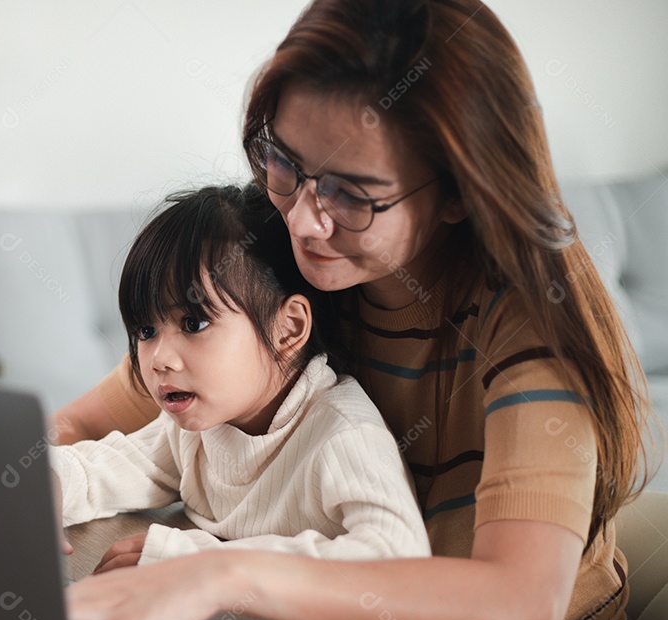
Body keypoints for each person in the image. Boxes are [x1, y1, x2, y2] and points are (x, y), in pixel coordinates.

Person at [50, 1, 657, 620]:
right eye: (284, 162)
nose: (305, 220)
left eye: (353, 195)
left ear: (461, 192)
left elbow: (519, 615)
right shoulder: (284, 260)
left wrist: (221, 576)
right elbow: (81, 425)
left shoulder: (526, 328)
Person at [50, 184, 431, 571]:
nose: (158, 359)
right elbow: (112, 466)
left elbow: (398, 557)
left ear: (289, 329)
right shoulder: (197, 428)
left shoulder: (343, 434)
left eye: (193, 322)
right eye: (146, 331)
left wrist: (203, 561)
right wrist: (49, 479)